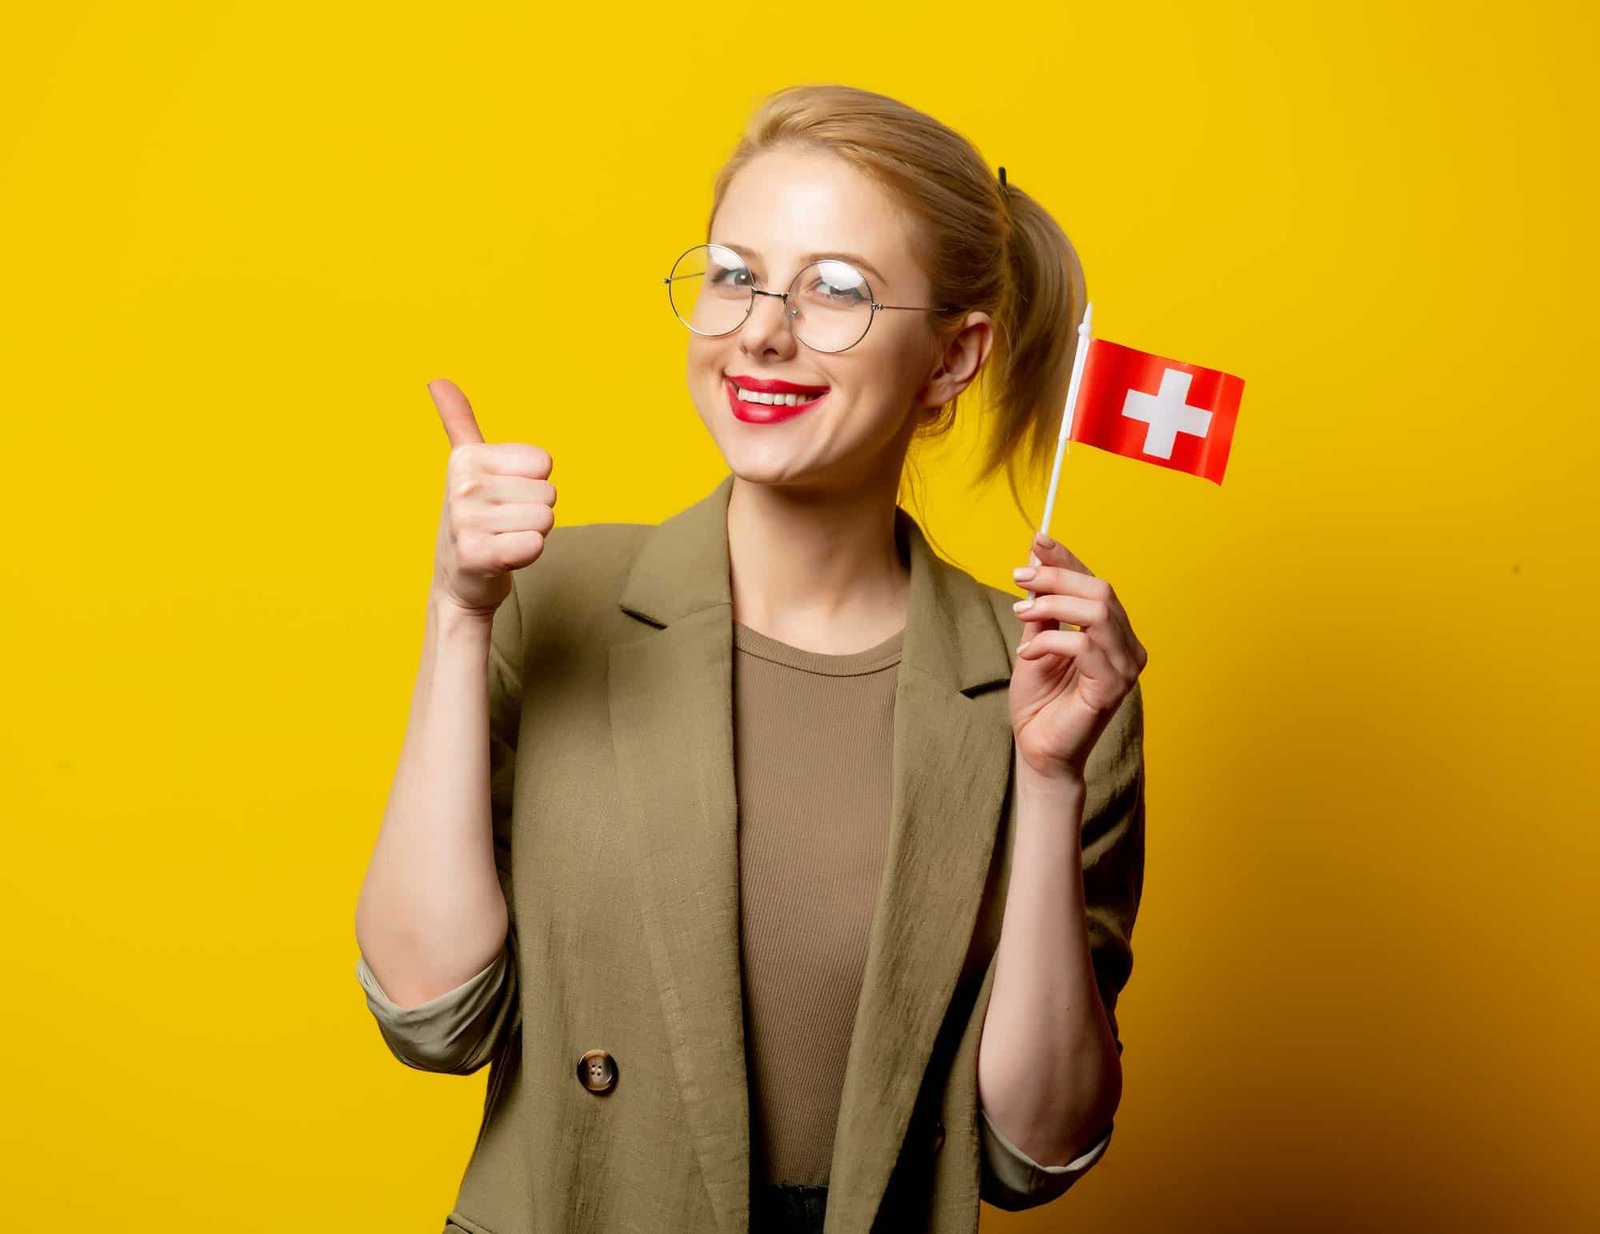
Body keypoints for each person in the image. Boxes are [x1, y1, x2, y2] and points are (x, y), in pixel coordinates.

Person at [353, 82, 1148, 1234]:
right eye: (733, 272)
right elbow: (432, 1017)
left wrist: (1046, 775)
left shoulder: (1052, 685)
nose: (763, 329)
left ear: (950, 357)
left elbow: (1035, 1148)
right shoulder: (553, 601)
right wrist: (456, 611)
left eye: (838, 290)